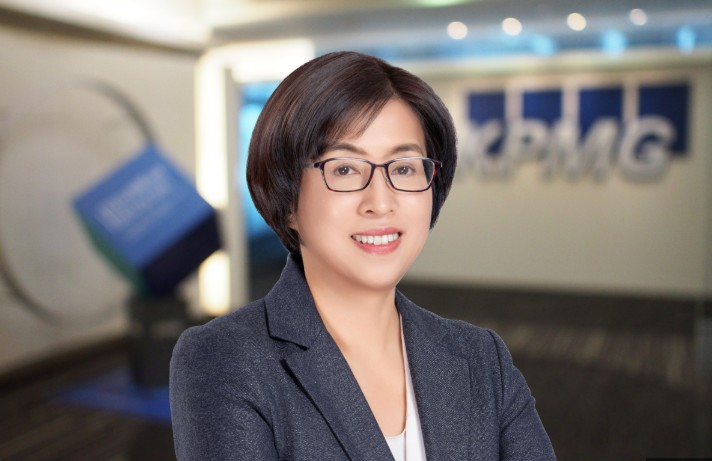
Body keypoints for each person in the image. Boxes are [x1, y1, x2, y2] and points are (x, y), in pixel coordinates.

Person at [170, 51, 555, 461]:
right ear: (287, 198)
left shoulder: (480, 357)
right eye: (345, 169)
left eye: (404, 168)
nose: (381, 202)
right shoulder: (225, 359)